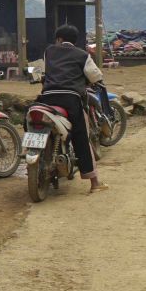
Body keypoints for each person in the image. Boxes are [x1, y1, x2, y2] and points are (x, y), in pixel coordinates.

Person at [37, 25, 107, 194]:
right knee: (82, 137)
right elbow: (96, 76)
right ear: (74, 41)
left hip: (47, 97)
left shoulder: (49, 51)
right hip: (71, 99)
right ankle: (94, 183)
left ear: (59, 39)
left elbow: (38, 72)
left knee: (35, 118)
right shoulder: (82, 55)